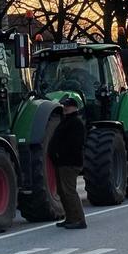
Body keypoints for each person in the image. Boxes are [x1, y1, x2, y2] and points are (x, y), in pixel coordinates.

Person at [49, 95, 87, 229]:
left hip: (69, 162)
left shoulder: (75, 122)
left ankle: (79, 219)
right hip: (62, 162)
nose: (65, 108)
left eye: (67, 106)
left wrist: (61, 153)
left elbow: (75, 144)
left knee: (69, 191)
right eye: (64, 106)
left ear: (74, 107)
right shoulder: (67, 121)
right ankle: (70, 218)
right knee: (62, 191)